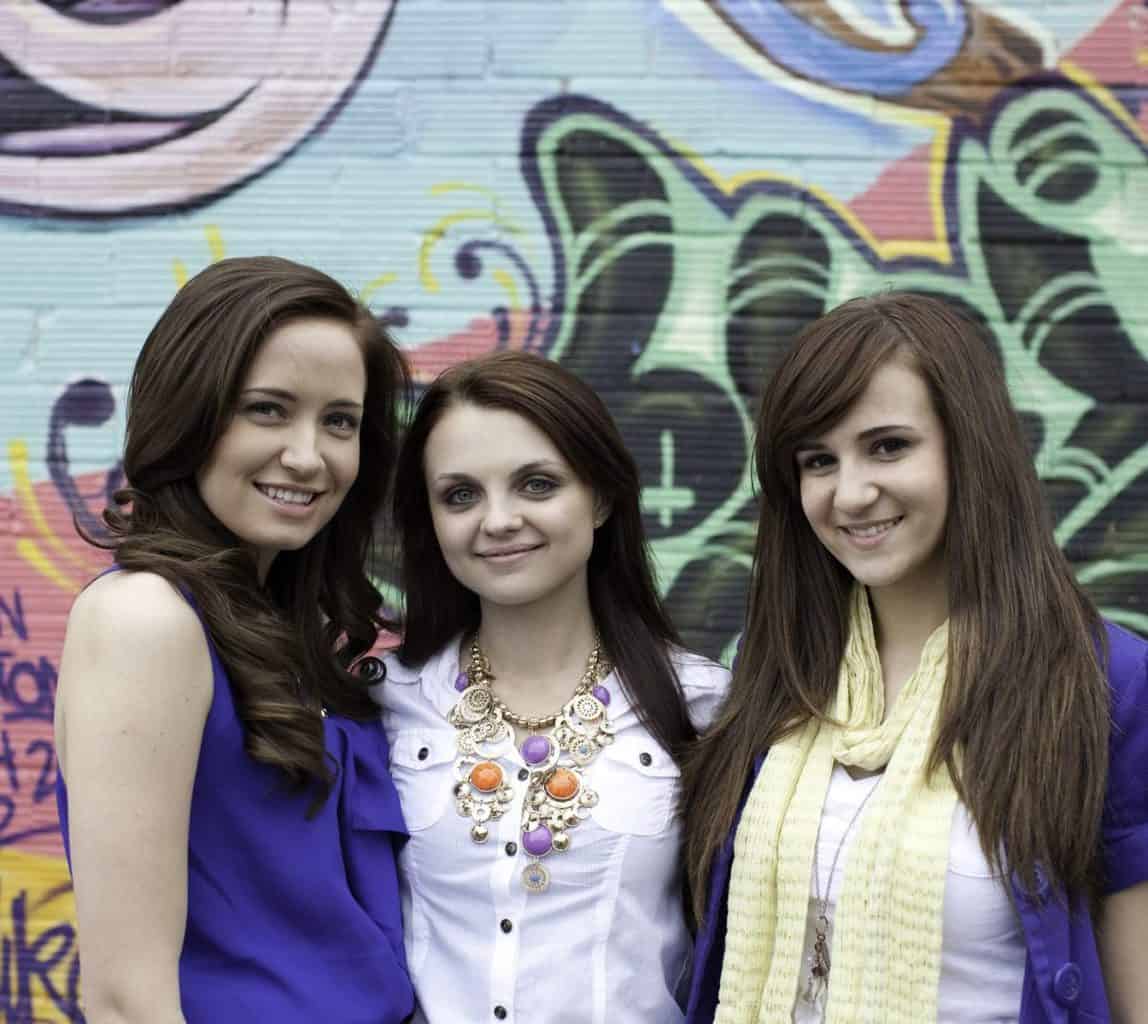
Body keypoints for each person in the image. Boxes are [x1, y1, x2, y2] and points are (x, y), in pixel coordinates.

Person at [681, 292, 1148, 1023]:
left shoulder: (1101, 686)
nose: (851, 493)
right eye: (818, 460)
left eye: (888, 446)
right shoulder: (782, 680)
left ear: (969, 448)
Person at [53, 256, 415, 1024]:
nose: (308, 456)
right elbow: (125, 1000)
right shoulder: (146, 618)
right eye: (267, 410)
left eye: (340, 421)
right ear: (189, 414)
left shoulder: (293, 632)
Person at [371, 350, 729, 1023]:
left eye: (536, 484)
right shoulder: (385, 703)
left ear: (600, 497)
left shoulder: (704, 708)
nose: (498, 520)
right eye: (460, 495)